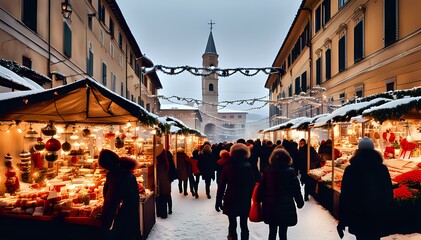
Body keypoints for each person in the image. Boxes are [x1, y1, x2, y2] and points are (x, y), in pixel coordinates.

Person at [337, 137, 393, 240]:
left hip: (358, 215)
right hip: (377, 214)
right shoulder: (382, 169)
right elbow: (388, 193)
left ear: (358, 150)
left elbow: (345, 195)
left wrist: (342, 220)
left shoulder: (351, 169)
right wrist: (388, 215)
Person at [257, 148, 304, 240]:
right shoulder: (290, 171)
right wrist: (299, 202)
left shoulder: (267, 170)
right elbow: (296, 188)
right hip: (286, 205)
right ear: (287, 158)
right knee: (283, 232)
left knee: (272, 230)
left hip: (270, 204)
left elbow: (262, 187)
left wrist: (259, 200)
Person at [215, 143, 255, 240]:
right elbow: (252, 183)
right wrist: (249, 195)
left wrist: (218, 201)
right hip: (244, 199)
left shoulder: (227, 167)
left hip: (230, 198)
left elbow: (221, 186)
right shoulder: (248, 166)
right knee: (244, 225)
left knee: (232, 224)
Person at [99, 149, 141, 240]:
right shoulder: (127, 175)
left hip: (120, 214)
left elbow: (109, 197)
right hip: (128, 214)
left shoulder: (113, 176)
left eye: (106, 167)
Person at [156, 143, 172, 218]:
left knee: (161, 198)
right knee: (165, 197)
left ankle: (162, 213)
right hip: (165, 182)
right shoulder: (166, 157)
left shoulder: (160, 163)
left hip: (162, 182)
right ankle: (165, 212)